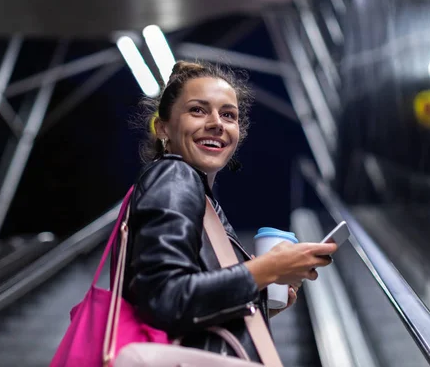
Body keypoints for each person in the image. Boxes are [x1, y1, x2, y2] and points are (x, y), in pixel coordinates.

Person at [123, 61, 337, 363]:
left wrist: (263, 304)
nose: (217, 123)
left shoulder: (199, 196)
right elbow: (166, 298)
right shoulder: (175, 177)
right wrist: (269, 268)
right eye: (198, 110)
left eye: (228, 115)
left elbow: (190, 310)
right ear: (163, 128)